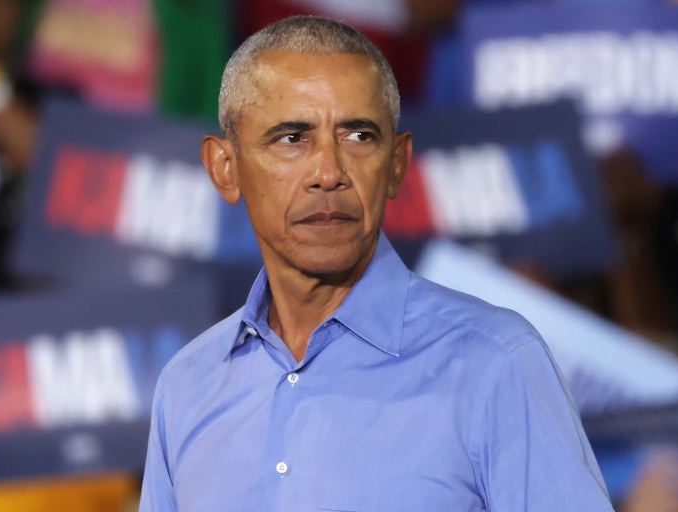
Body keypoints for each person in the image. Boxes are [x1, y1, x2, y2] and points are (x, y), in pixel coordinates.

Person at [139, 15, 614, 511]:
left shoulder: (496, 363)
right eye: (291, 138)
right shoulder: (187, 385)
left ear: (396, 164)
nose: (328, 172)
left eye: (358, 136)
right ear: (225, 168)